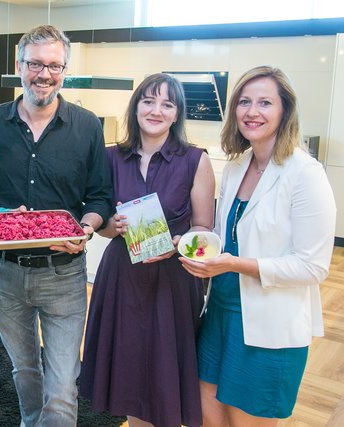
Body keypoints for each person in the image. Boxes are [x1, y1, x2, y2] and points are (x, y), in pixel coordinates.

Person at [180, 66, 336, 426]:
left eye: (265, 102)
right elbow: (223, 234)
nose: (252, 112)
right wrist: (189, 242)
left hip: (270, 328)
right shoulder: (237, 166)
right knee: (208, 417)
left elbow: (313, 267)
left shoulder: (305, 174)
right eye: (245, 102)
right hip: (218, 314)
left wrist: (237, 265)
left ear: (284, 111)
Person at [0, 24, 112, 427]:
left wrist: (84, 229)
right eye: (35, 63)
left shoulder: (87, 126)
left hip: (65, 275)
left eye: (54, 65)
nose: (44, 74)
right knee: (25, 373)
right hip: (6, 274)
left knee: (62, 386)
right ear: (19, 66)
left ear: (64, 70)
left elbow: (100, 196)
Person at [79, 73, 215, 427]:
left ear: (177, 114)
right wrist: (113, 226)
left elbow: (203, 228)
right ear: (135, 106)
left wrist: (178, 245)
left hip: (172, 281)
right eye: (149, 101)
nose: (156, 110)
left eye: (167, 104)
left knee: (164, 376)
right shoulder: (110, 157)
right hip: (122, 278)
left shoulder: (195, 160)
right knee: (128, 372)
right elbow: (103, 222)